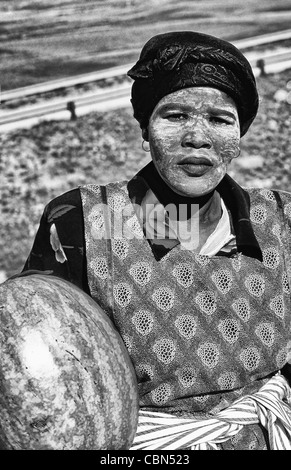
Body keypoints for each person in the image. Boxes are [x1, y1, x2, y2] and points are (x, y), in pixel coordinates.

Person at [20, 31, 291, 450]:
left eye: (220, 119)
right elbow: (35, 371)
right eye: (175, 115)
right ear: (145, 129)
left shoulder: (280, 220)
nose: (197, 137)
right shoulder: (83, 222)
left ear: (240, 135)